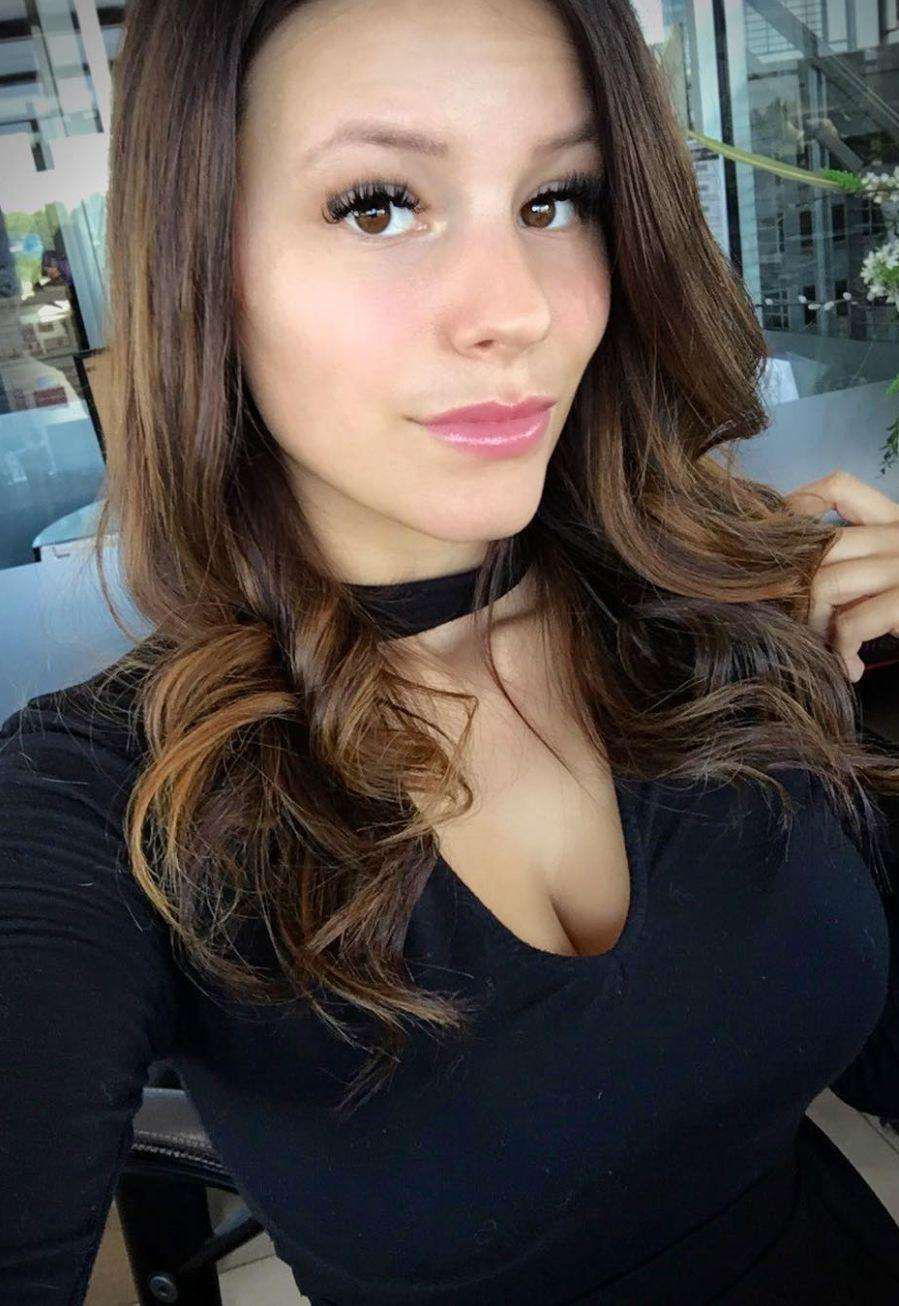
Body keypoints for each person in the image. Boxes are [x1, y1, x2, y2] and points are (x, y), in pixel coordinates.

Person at [2, 0, 899, 1302]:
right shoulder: (102, 800)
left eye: (554, 200)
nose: (518, 310)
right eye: (377, 205)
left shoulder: (731, 614)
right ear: (202, 264)